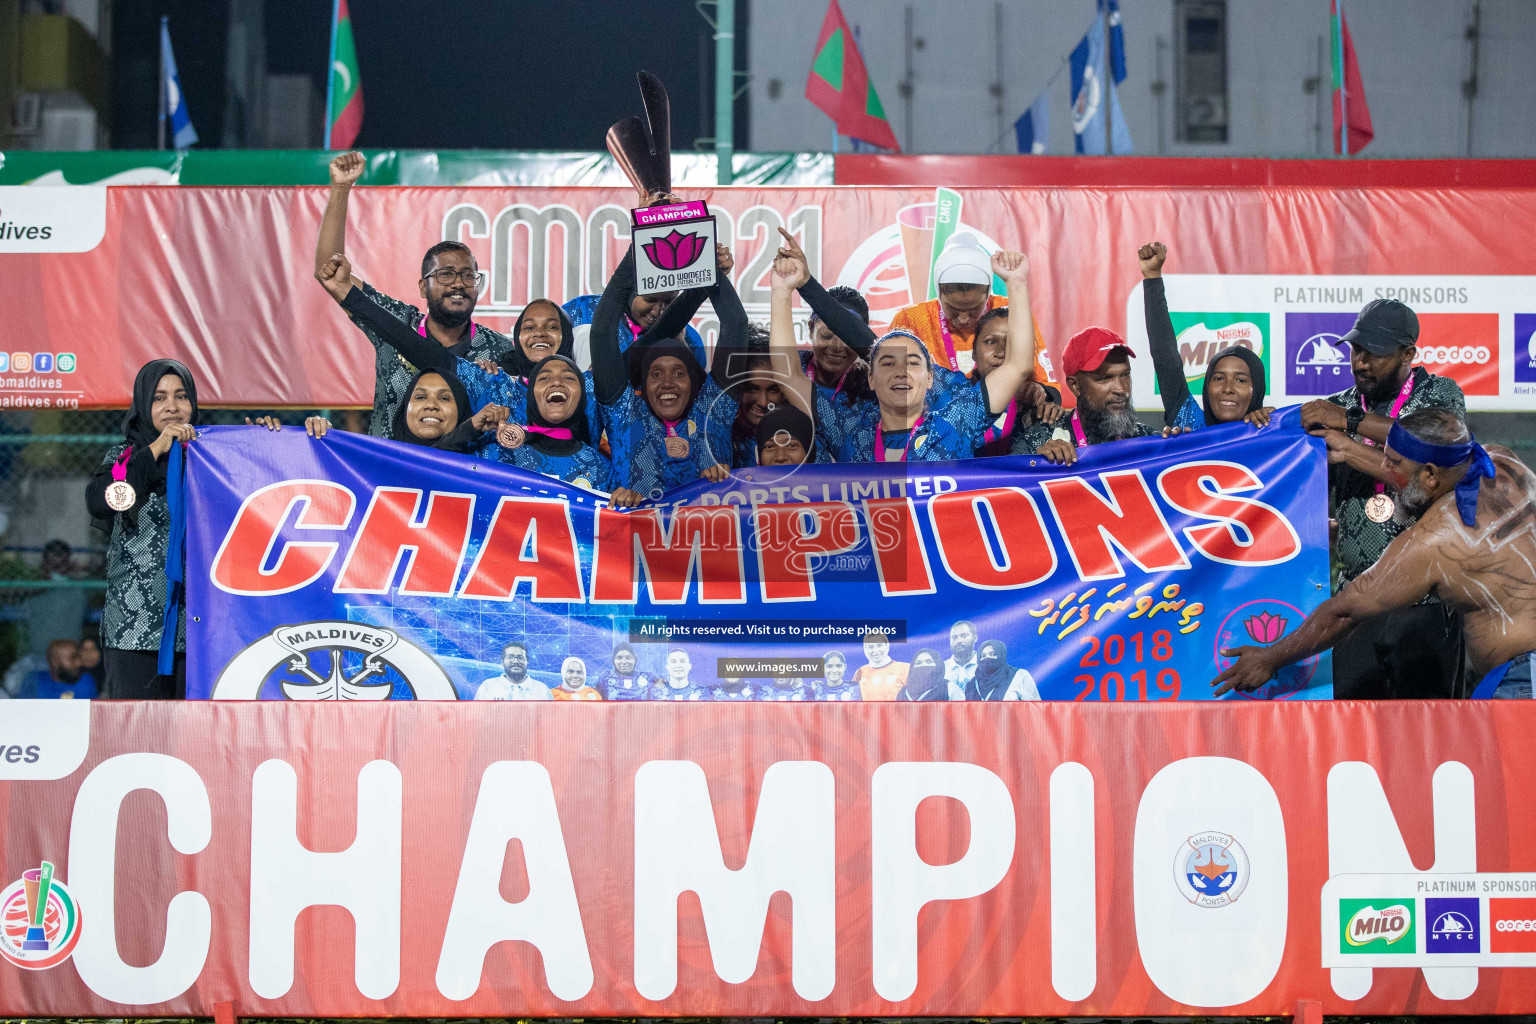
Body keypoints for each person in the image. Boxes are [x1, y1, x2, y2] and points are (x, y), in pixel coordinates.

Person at [1214, 409, 1535, 700]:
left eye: (1393, 463)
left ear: (1431, 475)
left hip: (1523, 682)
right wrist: (1348, 421)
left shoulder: (1436, 539)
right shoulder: (1502, 461)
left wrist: (1270, 658)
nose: (1382, 467)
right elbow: (1430, 439)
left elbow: (1345, 612)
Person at [1297, 299, 1468, 699]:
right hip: (1355, 605)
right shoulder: (1336, 405)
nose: (1360, 362)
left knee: (1428, 732)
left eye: (1374, 353)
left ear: (1408, 353)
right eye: (1356, 350)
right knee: (1355, 730)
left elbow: (1425, 449)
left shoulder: (1438, 395)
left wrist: (1349, 429)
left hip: (1426, 604)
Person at [769, 245, 1039, 463]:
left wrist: (1016, 283)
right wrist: (782, 291)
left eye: (913, 362)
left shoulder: (953, 424)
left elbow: (1017, 365)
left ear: (931, 378)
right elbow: (787, 375)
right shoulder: (849, 430)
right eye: (887, 362)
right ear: (871, 378)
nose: (901, 371)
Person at [315, 151, 513, 436]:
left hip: (456, 476)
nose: (458, 283)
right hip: (386, 474)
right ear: (423, 286)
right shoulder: (395, 322)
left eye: (468, 276)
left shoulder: (498, 350)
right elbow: (329, 272)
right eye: (445, 274)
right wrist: (341, 189)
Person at [318, 252, 563, 445]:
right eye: (446, 274)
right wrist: (347, 293)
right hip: (392, 471)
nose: (539, 335)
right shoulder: (491, 379)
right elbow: (406, 340)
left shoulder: (579, 389)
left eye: (553, 327)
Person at [590, 244, 743, 505]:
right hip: (636, 544)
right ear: (642, 383)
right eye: (656, 375)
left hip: (710, 542)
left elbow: (736, 325)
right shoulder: (625, 416)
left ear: (695, 383)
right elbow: (602, 334)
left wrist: (709, 268)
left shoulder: (713, 412)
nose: (667, 383)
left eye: (680, 373)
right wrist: (635, 249)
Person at [85, 359, 198, 699]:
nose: (172, 408)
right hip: (133, 630)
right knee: (135, 739)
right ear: (143, 404)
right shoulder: (125, 457)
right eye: (159, 398)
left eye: (181, 396)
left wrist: (279, 434)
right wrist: (157, 449)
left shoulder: (211, 457)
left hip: (198, 630)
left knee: (192, 741)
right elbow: (101, 500)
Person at [889, 231, 1059, 388]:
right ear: (939, 295)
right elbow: (888, 381)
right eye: (953, 309)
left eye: (974, 309)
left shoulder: (1010, 313)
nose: (963, 319)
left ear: (988, 295)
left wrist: (1038, 391)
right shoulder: (911, 321)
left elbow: (1043, 381)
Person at [1139, 242, 1272, 431]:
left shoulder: (1271, 434)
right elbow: (1165, 357)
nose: (1227, 388)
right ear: (1207, 385)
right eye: (1218, 378)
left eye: (1241, 380)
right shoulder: (1189, 426)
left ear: (1257, 390)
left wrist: (1278, 423)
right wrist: (1152, 278)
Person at [1013, 327, 1162, 465]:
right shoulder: (1041, 438)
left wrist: (1180, 442)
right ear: (1075, 386)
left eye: (1125, 375)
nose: (1121, 389)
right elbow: (1008, 482)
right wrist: (1036, 464)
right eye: (1105, 378)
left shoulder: (1149, 442)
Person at [480, 354, 613, 490]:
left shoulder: (601, 469)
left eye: (568, 378)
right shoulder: (498, 455)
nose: (556, 382)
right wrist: (469, 428)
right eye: (544, 378)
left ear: (582, 398)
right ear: (531, 395)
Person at [969, 307, 1067, 456]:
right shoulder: (949, 400)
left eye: (1012, 343)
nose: (1001, 352)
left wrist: (1044, 458)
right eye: (990, 341)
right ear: (974, 352)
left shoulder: (1040, 409)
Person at [21, 540, 87, 660]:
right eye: (54, 566)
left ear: (69, 564)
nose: (58, 570)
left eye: (62, 565)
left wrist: (85, 568)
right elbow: (14, 595)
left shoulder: (79, 588)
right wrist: (43, 584)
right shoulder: (34, 588)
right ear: (45, 565)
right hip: (38, 655)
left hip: (69, 656)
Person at [15, 639, 97, 699]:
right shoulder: (33, 681)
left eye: (79, 657)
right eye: (72, 658)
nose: (79, 662)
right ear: (54, 663)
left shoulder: (86, 681)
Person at [474, 641, 551, 700]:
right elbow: (477, 716)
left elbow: (550, 718)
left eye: (520, 657)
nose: (515, 661)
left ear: (527, 661)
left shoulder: (542, 690)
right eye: (510, 657)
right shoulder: (488, 686)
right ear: (502, 661)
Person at [966, 640, 1041, 701]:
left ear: (1001, 655)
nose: (987, 658)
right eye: (983, 656)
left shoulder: (1019, 675)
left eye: (993, 654)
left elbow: (1034, 709)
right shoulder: (972, 683)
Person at [852, 629, 909, 701]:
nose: (875, 650)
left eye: (879, 645)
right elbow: (854, 703)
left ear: (887, 645)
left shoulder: (905, 668)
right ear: (865, 649)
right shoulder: (860, 672)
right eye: (870, 647)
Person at [943, 621, 979, 693]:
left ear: (975, 637)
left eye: (964, 636)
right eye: (954, 637)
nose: (959, 640)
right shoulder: (941, 669)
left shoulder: (987, 665)